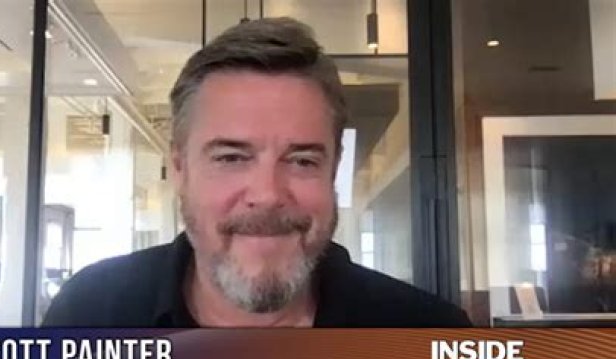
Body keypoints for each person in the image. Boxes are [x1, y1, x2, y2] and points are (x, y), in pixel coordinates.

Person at [42, 17, 471, 327]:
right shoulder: (89, 315)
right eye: (231, 158)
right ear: (180, 169)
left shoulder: (427, 336)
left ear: (333, 170)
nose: (267, 194)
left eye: (302, 160)